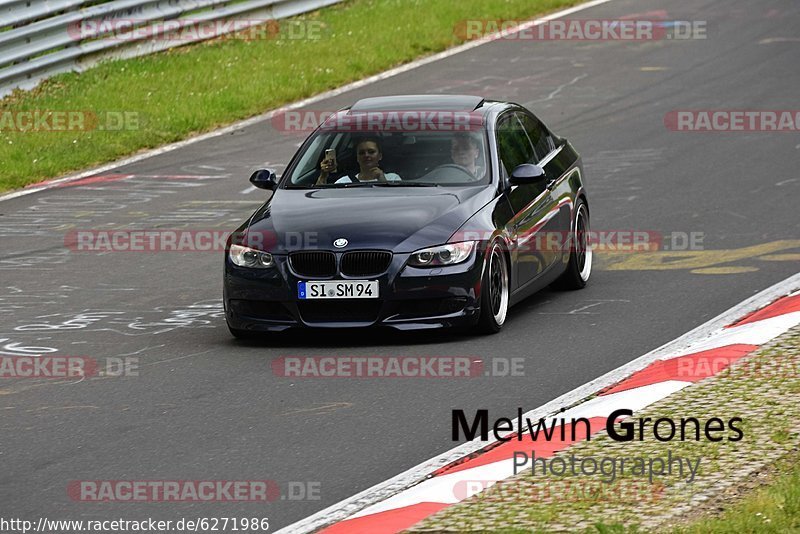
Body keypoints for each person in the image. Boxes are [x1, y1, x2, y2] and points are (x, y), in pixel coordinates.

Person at [315, 137, 401, 185]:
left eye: (371, 152)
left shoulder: (393, 179)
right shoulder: (344, 182)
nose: (366, 155)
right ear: (357, 157)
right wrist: (323, 175)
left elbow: (398, 201)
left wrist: (382, 181)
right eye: (362, 153)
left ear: (380, 156)